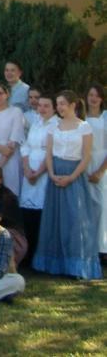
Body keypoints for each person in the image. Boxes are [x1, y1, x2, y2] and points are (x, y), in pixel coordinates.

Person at [33, 90, 101, 280]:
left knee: (75, 219)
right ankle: (54, 263)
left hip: (74, 175)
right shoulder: (54, 127)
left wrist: (71, 177)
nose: (60, 107)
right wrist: (52, 173)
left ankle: (77, 265)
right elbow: (49, 154)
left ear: (73, 105)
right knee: (55, 218)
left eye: (63, 103)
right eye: (58, 103)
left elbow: (86, 156)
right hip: (55, 173)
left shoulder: (84, 127)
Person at [20, 92, 57, 262]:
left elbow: (52, 151)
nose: (41, 108)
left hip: (44, 171)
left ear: (54, 108)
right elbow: (26, 146)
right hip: (29, 172)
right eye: (40, 105)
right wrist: (27, 169)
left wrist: (39, 172)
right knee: (28, 213)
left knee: (42, 214)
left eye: (46, 105)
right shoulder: (36, 122)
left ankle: (41, 255)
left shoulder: (56, 125)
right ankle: (28, 254)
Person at [85, 83, 106, 257]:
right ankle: (87, 246)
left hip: (101, 163)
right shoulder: (81, 117)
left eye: (96, 95)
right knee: (85, 206)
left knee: (101, 205)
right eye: (90, 94)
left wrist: (100, 171)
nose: (93, 98)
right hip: (84, 162)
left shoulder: (106, 117)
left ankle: (102, 247)